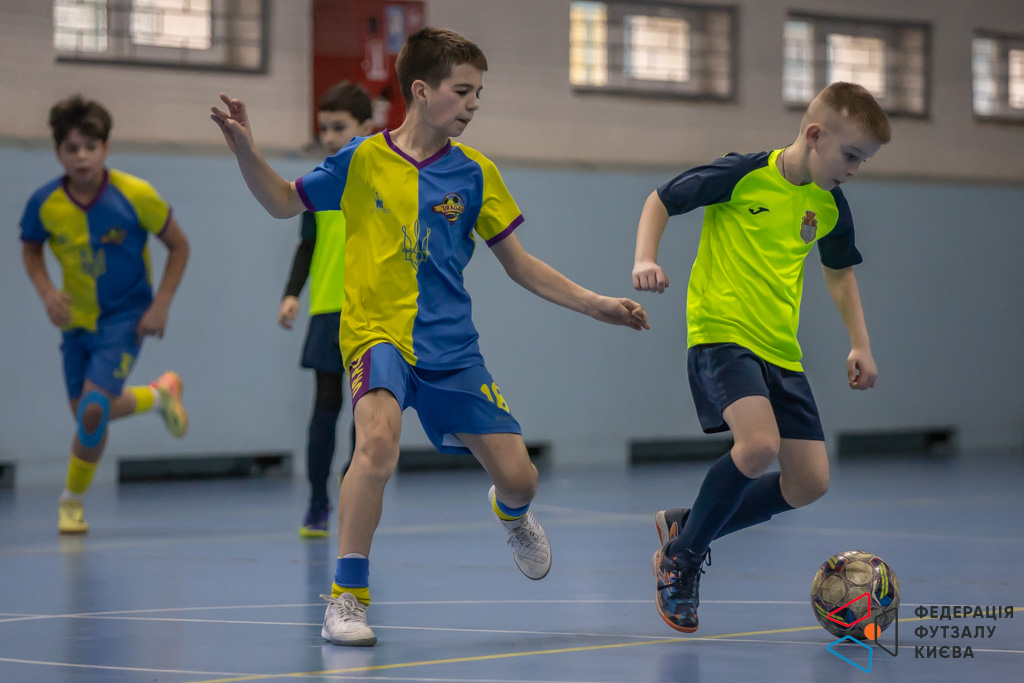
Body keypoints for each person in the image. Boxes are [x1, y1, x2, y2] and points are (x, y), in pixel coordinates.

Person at [211, 26, 649, 647]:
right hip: (375, 336)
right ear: (420, 90)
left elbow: (521, 265)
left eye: (478, 94)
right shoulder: (361, 160)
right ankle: (347, 597)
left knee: (521, 478)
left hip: (451, 349)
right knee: (376, 446)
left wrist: (595, 304)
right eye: (462, 91)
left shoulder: (476, 174)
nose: (473, 104)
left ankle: (510, 511)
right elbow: (283, 202)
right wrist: (245, 152)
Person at [632, 82, 890, 633]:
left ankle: (689, 527)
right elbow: (662, 199)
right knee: (758, 446)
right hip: (721, 334)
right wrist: (645, 258)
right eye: (850, 155)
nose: (854, 169)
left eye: (862, 161)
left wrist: (860, 342)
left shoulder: (829, 204)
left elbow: (839, 271)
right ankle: (681, 561)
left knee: (808, 483)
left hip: (781, 350)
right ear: (814, 134)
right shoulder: (741, 174)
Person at [20, 94, 190, 534]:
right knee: (87, 414)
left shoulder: (136, 196)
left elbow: (179, 246)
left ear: (106, 148)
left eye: (90, 147)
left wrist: (161, 304)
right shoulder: (44, 203)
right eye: (71, 148)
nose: (81, 157)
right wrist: (47, 293)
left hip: (125, 318)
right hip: (76, 325)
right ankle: (159, 395)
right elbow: (31, 248)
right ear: (58, 152)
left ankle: (71, 503)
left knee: (93, 410)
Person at [278, 81, 375, 538]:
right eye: (325, 128)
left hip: (373, 314)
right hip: (328, 312)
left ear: (366, 126)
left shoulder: (383, 181)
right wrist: (292, 293)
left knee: (367, 413)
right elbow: (307, 245)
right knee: (325, 408)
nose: (330, 137)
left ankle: (354, 491)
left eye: (340, 127)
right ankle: (317, 502)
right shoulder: (316, 184)